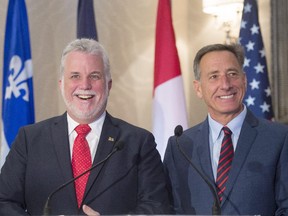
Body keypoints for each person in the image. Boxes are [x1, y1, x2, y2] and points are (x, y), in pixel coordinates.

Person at [0, 38, 170, 215]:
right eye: (75, 76)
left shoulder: (139, 142)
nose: (85, 85)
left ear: (108, 84)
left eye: (94, 76)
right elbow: (4, 201)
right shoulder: (30, 139)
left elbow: (157, 207)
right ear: (61, 84)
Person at [163, 43, 288, 215]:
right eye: (214, 76)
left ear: (244, 79)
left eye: (232, 74)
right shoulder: (180, 145)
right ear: (198, 88)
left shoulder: (280, 138)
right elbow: (169, 208)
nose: (225, 84)